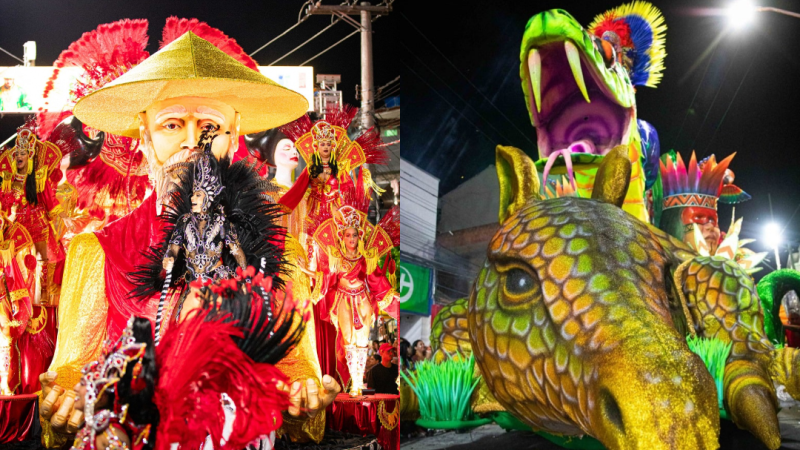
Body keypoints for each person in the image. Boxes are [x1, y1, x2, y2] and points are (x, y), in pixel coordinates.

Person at [37, 26, 335, 447]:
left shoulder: (277, 251)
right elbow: (72, 369)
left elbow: (297, 372)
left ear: (233, 138)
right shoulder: (99, 250)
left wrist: (303, 393)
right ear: (144, 137)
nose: (192, 141)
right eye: (172, 124)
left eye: (209, 125)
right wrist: (66, 394)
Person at [311, 191, 399, 396]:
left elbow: (375, 279)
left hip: (362, 299)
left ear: (360, 236)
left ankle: (359, 381)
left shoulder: (365, 257)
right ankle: (354, 382)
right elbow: (325, 278)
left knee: (362, 341)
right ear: (342, 236)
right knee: (349, 340)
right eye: (348, 235)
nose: (352, 238)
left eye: (355, 234)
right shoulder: (335, 257)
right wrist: (309, 273)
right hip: (343, 298)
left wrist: (390, 297)